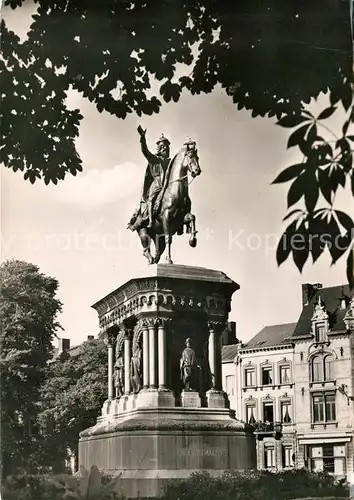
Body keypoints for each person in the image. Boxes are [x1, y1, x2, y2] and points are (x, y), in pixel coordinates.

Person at [128, 126, 171, 230]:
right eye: (163, 146)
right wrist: (142, 137)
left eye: (167, 147)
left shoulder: (170, 161)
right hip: (157, 184)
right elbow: (144, 150)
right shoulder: (154, 159)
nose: (166, 148)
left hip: (168, 183)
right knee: (151, 199)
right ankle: (151, 221)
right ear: (160, 148)